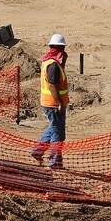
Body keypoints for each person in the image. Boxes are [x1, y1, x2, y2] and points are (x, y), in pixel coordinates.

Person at [30, 33, 70, 168]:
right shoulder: (52, 65)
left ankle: (37, 151)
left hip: (49, 103)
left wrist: (63, 62)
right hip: (53, 104)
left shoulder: (50, 62)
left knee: (54, 128)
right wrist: (59, 103)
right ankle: (54, 162)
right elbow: (53, 85)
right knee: (58, 134)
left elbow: (57, 78)